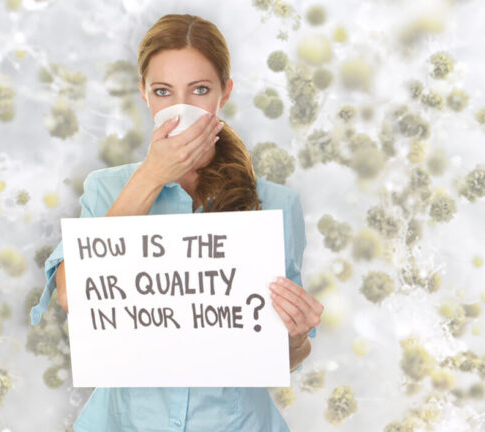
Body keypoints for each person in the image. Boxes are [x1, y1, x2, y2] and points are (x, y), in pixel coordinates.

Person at [29, 13, 324, 431]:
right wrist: (151, 175)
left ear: (224, 94)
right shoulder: (107, 189)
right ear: (145, 96)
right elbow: (73, 297)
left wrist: (294, 337)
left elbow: (282, 356)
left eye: (199, 90)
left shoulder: (277, 204)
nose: (181, 107)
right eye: (163, 91)